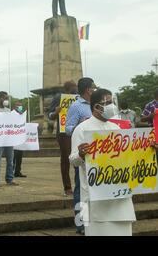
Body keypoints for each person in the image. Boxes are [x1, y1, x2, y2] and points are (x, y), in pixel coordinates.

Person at [69, 88, 136, 236]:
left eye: (112, 102)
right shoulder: (81, 129)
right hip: (94, 197)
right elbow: (73, 160)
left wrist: (147, 150)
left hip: (119, 196)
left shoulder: (116, 128)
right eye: (107, 103)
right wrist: (81, 154)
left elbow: (127, 156)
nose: (111, 106)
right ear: (95, 106)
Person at [65, 77, 96, 235]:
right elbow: (68, 128)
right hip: (83, 154)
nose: (95, 90)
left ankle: (95, 221)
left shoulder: (97, 105)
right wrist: (81, 124)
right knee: (80, 189)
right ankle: (81, 223)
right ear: (88, 89)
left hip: (101, 154)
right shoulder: (76, 106)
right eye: (94, 87)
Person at [48, 80, 77, 196]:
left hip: (76, 131)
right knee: (66, 159)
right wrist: (56, 113)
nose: (76, 89)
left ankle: (78, 185)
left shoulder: (78, 98)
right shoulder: (58, 97)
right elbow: (50, 115)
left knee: (79, 158)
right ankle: (67, 187)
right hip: (64, 133)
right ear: (68, 88)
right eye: (74, 87)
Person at [0, 91, 18, 187]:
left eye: (7, 98)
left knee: (10, 160)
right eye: (4, 98)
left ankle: (10, 179)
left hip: (8, 139)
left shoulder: (8, 111)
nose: (6, 100)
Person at [13, 100, 27, 178]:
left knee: (19, 156)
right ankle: (12, 171)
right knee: (13, 156)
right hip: (13, 139)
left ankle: (18, 171)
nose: (19, 108)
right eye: (18, 106)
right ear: (14, 107)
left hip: (20, 139)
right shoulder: (12, 114)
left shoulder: (22, 116)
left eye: (20, 106)